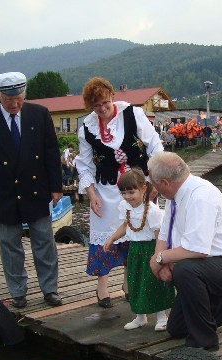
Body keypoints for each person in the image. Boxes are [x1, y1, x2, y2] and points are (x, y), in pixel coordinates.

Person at [0, 71, 63, 308]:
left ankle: (50, 289)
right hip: (4, 194)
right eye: (9, 100)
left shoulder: (39, 114)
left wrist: (56, 187)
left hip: (36, 189)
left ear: (24, 94)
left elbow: (51, 152)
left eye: (19, 99)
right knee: (10, 246)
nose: (14, 104)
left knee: (44, 242)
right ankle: (18, 292)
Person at [148, 151, 222, 350]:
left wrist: (161, 258)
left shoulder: (200, 196)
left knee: (185, 270)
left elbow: (196, 249)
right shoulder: (174, 196)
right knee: (176, 328)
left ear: (165, 182)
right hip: (208, 267)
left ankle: (205, 341)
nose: (153, 188)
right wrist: (159, 258)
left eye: (154, 183)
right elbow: (164, 233)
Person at [73, 76, 163, 308]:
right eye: (96, 106)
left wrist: (153, 182)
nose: (102, 109)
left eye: (105, 103)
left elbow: (154, 145)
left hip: (138, 187)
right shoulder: (86, 129)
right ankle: (102, 287)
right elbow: (84, 165)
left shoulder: (133, 115)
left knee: (136, 235)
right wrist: (91, 194)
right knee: (105, 236)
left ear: (112, 96)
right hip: (106, 190)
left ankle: (127, 283)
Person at [103, 168, 174, 331]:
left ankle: (162, 317)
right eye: (123, 193)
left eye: (131, 192)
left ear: (143, 189)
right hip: (134, 249)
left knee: (153, 282)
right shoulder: (124, 207)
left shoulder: (152, 210)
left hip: (150, 248)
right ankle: (140, 317)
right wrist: (112, 238)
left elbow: (159, 234)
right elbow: (125, 225)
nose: (127, 197)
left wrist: (159, 256)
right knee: (135, 282)